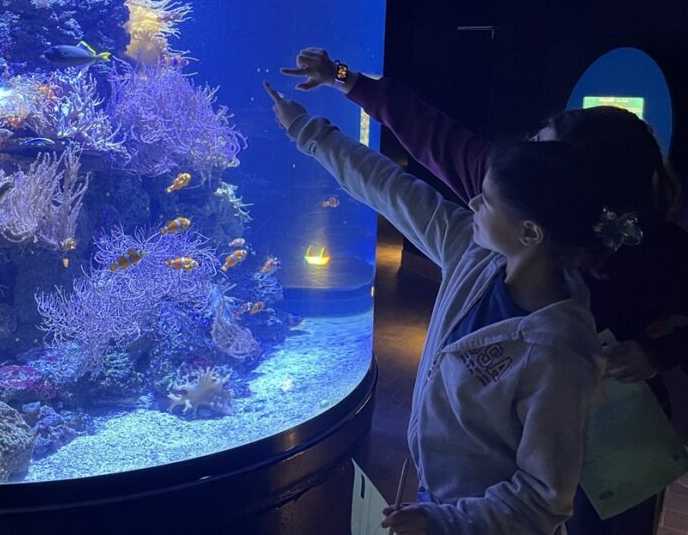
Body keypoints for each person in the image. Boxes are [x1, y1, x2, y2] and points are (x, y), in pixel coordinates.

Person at [281, 48, 688, 533]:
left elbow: (539, 500)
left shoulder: (569, 333)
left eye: (542, 143)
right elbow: (410, 162)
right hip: (471, 490)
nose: (475, 197)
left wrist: (662, 350)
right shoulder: (490, 229)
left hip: (609, 442)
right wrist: (332, 95)